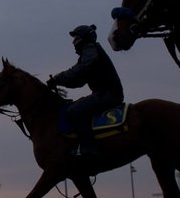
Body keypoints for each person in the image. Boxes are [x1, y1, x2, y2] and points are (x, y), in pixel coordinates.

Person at [46, 24, 124, 159]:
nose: (73, 41)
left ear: (84, 38)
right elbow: (78, 81)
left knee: (74, 110)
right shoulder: (87, 53)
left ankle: (89, 146)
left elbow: (81, 69)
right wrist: (60, 81)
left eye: (76, 37)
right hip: (105, 93)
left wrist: (58, 78)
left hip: (108, 94)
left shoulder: (90, 49)